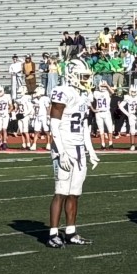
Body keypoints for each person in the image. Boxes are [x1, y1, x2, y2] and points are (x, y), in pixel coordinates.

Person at [46, 62, 98, 246]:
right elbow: (53, 124)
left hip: (78, 149)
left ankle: (70, 232)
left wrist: (90, 150)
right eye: (83, 75)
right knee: (60, 191)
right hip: (64, 147)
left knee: (75, 192)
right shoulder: (62, 92)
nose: (86, 79)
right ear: (72, 74)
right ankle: (53, 234)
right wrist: (60, 152)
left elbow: (84, 126)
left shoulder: (83, 95)